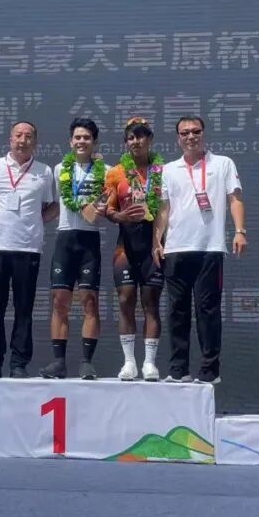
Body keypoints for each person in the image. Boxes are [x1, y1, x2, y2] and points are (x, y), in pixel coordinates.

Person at [152, 116, 246, 384]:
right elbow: (163, 208)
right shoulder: (168, 170)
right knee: (177, 311)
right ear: (178, 138)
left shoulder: (222, 163)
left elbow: (235, 199)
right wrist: (157, 240)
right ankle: (178, 370)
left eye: (195, 131)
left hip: (209, 247)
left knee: (208, 310)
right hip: (176, 248)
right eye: (185, 133)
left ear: (203, 134)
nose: (190, 136)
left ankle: (209, 371)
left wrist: (240, 231)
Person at [0, 121, 59, 378]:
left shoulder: (44, 171)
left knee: (24, 309)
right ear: (10, 139)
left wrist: (34, 222)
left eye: (28, 136)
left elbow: (52, 206)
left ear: (35, 142)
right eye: (18, 135)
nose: (22, 140)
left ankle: (19, 363)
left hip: (28, 248)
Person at [41, 118, 108, 380]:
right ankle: (59, 362)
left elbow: (108, 205)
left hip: (89, 240)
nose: (82, 142)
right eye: (77, 137)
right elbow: (56, 205)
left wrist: (104, 209)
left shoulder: (106, 171)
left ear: (94, 142)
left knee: (89, 301)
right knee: (59, 301)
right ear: (70, 141)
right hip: (65, 239)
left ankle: (86, 362)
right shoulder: (59, 169)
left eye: (87, 137)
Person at [104, 117, 164, 381]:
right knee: (125, 299)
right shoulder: (116, 173)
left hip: (154, 245)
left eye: (140, 136)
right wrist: (120, 216)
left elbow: (168, 209)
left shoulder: (163, 171)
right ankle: (129, 362)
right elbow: (108, 209)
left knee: (151, 302)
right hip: (125, 247)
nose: (135, 141)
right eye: (130, 137)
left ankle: (149, 363)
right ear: (125, 142)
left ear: (149, 139)